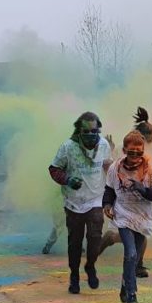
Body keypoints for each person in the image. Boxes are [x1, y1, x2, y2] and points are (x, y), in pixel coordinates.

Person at [99, 106, 152, 277]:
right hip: (124, 197)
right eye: (149, 139)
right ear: (141, 137)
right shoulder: (124, 148)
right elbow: (112, 171)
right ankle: (111, 239)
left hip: (144, 197)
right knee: (128, 232)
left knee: (141, 231)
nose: (151, 143)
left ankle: (138, 264)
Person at [48, 111, 114, 293]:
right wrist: (67, 179)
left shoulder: (103, 145)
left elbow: (108, 166)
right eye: (87, 131)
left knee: (94, 239)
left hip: (95, 200)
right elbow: (54, 169)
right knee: (74, 243)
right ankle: (74, 276)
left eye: (95, 131)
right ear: (79, 131)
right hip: (73, 203)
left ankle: (90, 265)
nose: (92, 135)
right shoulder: (67, 147)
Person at [103, 130, 152, 303]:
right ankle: (132, 294)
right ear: (124, 150)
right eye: (131, 152)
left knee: (135, 256)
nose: (135, 156)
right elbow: (109, 189)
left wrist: (144, 190)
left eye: (139, 152)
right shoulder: (116, 168)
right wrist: (107, 205)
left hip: (143, 217)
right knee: (130, 253)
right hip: (122, 214)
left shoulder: (150, 170)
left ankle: (124, 285)